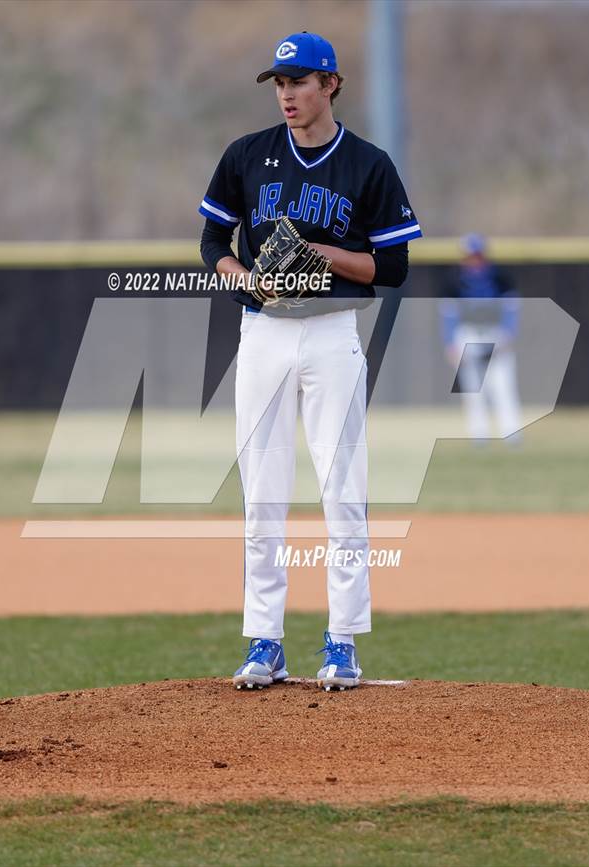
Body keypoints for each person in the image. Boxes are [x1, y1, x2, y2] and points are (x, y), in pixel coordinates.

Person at [199, 32, 422, 690]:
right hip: (264, 329)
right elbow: (213, 236)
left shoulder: (369, 165)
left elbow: (396, 265)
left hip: (331, 332)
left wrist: (322, 253)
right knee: (262, 493)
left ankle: (343, 640)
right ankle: (265, 640)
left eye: (299, 81)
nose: (287, 94)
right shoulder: (247, 156)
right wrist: (241, 275)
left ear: (331, 85)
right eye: (279, 82)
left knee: (342, 490)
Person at [439, 234, 522, 443]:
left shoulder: (500, 277)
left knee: (503, 386)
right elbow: (448, 314)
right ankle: (479, 435)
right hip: (468, 334)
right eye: (470, 256)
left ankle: (511, 433)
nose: (474, 260)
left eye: (477, 255)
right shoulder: (453, 279)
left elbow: (511, 308)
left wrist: (508, 334)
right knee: (473, 389)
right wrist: (450, 343)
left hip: (496, 334)